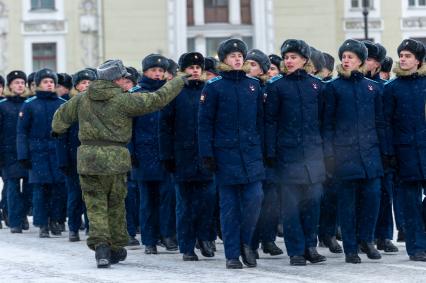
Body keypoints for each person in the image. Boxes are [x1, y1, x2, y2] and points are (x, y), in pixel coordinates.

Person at [52, 59, 188, 268]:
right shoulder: (124, 100)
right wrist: (177, 82)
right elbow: (157, 100)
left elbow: (60, 118)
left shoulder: (82, 98)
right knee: (115, 204)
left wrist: (58, 131)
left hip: (88, 158)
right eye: (123, 77)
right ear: (116, 78)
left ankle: (101, 248)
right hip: (115, 158)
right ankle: (115, 246)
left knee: (95, 204)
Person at [198, 38, 265, 269]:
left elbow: (260, 122)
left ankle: (247, 243)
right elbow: (205, 124)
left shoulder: (253, 85)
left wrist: (263, 150)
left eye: (240, 55)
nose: (237, 59)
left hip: (251, 154)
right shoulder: (214, 87)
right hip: (225, 155)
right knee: (229, 208)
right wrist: (207, 154)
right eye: (232, 56)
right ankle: (232, 254)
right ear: (224, 59)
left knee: (254, 201)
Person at [323, 39, 385, 264]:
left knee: (372, 199)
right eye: (344, 56)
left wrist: (385, 152)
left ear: (360, 60)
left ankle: (366, 239)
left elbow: (380, 123)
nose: (346, 60)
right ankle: (350, 247)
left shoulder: (373, 88)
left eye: (351, 56)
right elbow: (327, 125)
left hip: (370, 155)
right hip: (344, 156)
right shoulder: (333, 88)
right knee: (347, 204)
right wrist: (329, 155)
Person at [265, 39, 326, 266]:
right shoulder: (276, 87)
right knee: (291, 207)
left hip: (313, 157)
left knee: (312, 204)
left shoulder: (317, 86)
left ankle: (311, 246)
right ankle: (296, 251)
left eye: (293, 57)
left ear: (304, 60)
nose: (289, 61)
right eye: (286, 57)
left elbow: (324, 122)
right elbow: (269, 122)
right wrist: (270, 152)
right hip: (287, 156)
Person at [159, 52, 216, 261]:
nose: (195, 71)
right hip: (182, 157)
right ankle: (187, 245)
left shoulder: (209, 90)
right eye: (190, 67)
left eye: (198, 67)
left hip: (205, 158)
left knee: (207, 203)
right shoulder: (174, 93)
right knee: (185, 205)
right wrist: (167, 156)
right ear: (183, 70)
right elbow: (164, 127)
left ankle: (206, 238)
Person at [383, 39, 426, 261]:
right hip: (404, 153)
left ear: (418, 60)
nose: (402, 59)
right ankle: (417, 247)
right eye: (401, 55)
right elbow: (386, 123)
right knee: (410, 204)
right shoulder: (391, 89)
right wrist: (389, 153)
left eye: (408, 55)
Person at [130, 54, 178, 254]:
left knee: (167, 198)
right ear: (146, 72)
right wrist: (131, 153)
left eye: (161, 71)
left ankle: (167, 235)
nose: (157, 74)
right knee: (147, 200)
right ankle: (149, 239)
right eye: (153, 70)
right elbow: (128, 128)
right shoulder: (135, 95)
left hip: (165, 154)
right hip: (143, 154)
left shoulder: (170, 94)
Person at [17, 68, 67, 238]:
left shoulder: (61, 104)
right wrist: (23, 155)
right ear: (38, 84)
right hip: (37, 153)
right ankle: (42, 224)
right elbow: (22, 132)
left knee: (58, 190)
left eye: (51, 82)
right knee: (40, 191)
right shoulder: (30, 104)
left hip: (57, 152)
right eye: (45, 81)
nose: (49, 84)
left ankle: (56, 220)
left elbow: (67, 131)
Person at [246, 49, 283, 258]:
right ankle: (250, 242)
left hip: (269, 150)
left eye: (253, 64)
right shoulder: (242, 88)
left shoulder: (270, 89)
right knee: (252, 200)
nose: (249, 67)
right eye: (247, 63)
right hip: (250, 150)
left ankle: (268, 239)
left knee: (270, 199)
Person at [56, 68, 97, 242]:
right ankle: (73, 228)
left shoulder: (100, 106)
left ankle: (91, 227)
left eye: (90, 83)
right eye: (83, 83)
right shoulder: (68, 106)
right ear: (77, 86)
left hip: (95, 158)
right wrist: (63, 160)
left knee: (93, 195)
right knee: (75, 196)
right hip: (74, 159)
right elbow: (60, 136)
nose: (86, 85)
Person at [0, 71, 31, 233]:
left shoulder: (29, 104)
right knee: (12, 187)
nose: (19, 85)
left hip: (27, 152)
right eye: (16, 82)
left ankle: (23, 214)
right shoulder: (3, 105)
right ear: (10, 85)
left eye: (22, 82)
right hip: (8, 153)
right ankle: (14, 220)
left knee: (28, 188)